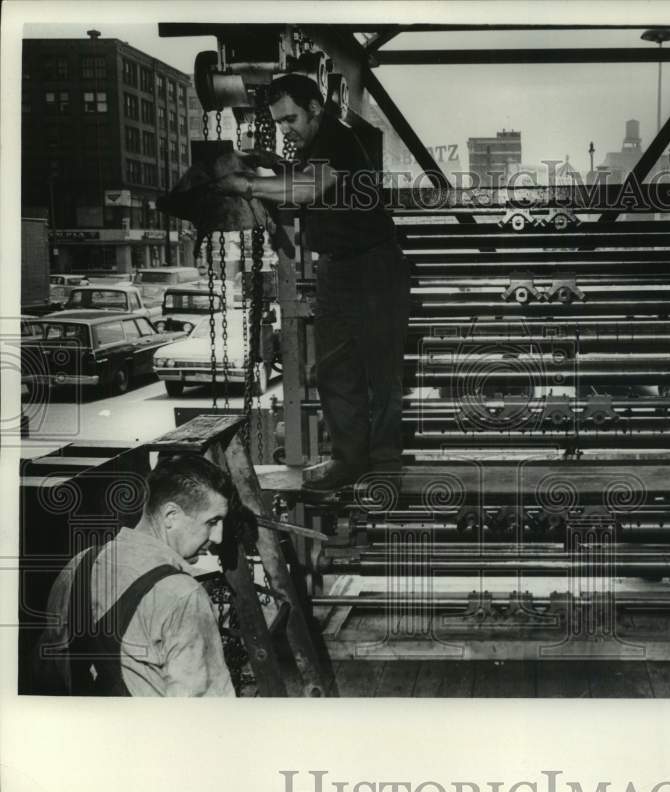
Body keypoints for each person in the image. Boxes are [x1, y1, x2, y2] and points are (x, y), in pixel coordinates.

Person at [213, 73, 411, 494]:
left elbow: (309, 187)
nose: (286, 129)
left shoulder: (336, 138)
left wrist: (246, 184)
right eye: (279, 122)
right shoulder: (317, 146)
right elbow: (306, 177)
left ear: (316, 108)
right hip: (338, 269)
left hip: (373, 267)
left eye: (291, 119)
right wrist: (274, 162)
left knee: (380, 371)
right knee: (335, 369)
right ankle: (349, 462)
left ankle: (385, 466)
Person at [35, 455, 236, 696]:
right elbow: (204, 709)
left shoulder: (78, 565)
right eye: (212, 521)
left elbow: (46, 673)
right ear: (171, 516)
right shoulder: (183, 595)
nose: (218, 537)